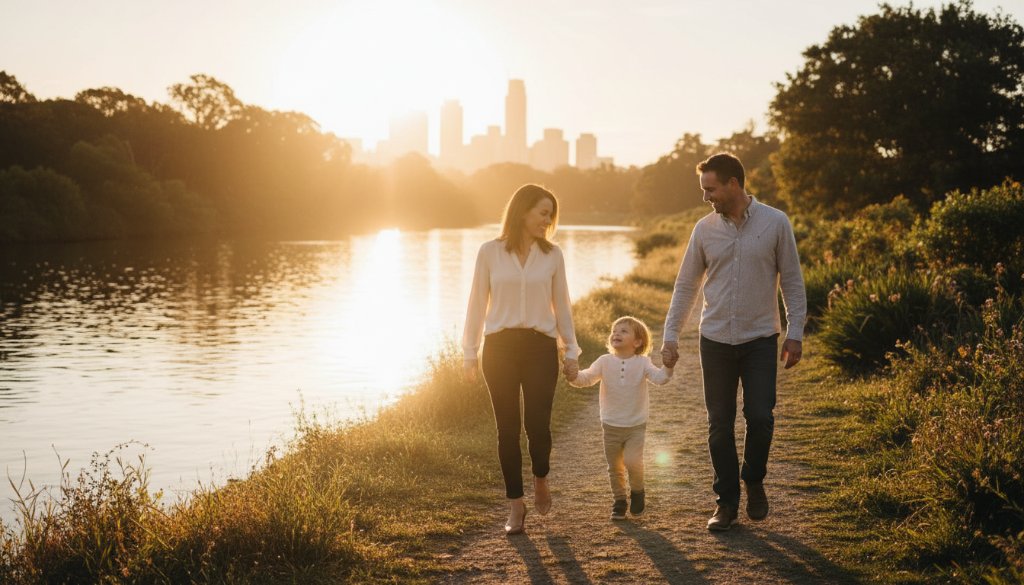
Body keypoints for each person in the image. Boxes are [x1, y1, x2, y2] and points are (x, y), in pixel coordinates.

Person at [660, 153, 806, 532]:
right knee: (719, 425)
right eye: (703, 189)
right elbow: (686, 285)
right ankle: (726, 504)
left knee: (760, 416)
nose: (706, 196)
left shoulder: (775, 223)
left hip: (760, 337)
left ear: (734, 184)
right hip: (716, 340)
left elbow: (792, 279)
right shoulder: (704, 230)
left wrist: (795, 332)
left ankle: (753, 477)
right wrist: (670, 334)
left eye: (711, 189)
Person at [462, 183, 581, 535]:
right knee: (507, 430)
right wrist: (469, 352)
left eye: (551, 215)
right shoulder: (489, 252)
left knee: (538, 427)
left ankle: (540, 477)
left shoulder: (553, 255)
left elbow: (563, 306)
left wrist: (570, 350)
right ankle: (516, 504)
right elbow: (475, 304)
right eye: (543, 213)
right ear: (522, 211)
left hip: (540, 347)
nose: (547, 220)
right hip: (498, 348)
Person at [566, 316, 673, 521]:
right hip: (611, 425)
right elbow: (586, 378)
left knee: (633, 461)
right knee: (614, 466)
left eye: (624, 331)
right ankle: (619, 501)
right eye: (615, 330)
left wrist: (668, 366)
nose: (616, 333)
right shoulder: (604, 361)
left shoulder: (642, 363)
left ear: (638, 342)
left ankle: (638, 491)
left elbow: (660, 379)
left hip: (635, 425)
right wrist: (573, 376)